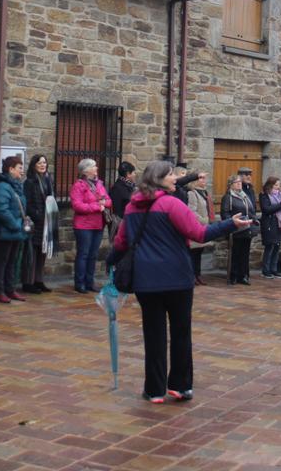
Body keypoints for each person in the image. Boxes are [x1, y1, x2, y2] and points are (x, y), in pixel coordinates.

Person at [107, 160, 249, 403]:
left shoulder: (132, 208)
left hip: (146, 281)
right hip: (177, 280)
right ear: (159, 179)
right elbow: (200, 233)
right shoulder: (171, 204)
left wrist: (110, 263)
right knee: (181, 332)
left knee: (153, 335)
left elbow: (121, 243)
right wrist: (230, 224)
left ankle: (154, 390)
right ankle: (180, 386)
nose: (176, 178)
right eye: (171, 174)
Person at [69, 158, 112, 293]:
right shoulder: (79, 185)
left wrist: (103, 204)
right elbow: (77, 206)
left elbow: (109, 201)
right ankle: (79, 283)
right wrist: (96, 206)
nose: (97, 168)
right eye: (94, 166)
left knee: (93, 254)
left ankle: (89, 282)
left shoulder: (99, 184)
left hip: (98, 224)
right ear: (86, 170)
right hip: (83, 226)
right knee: (83, 254)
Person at [0, 155, 28, 303]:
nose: (21, 171)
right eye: (19, 168)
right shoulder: (3, 187)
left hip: (15, 231)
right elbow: (2, 209)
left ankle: (10, 289)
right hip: (4, 232)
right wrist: (15, 225)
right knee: (2, 262)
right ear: (10, 169)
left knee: (12, 262)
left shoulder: (15, 186)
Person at [22, 154, 56, 294]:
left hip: (47, 221)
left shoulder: (48, 180)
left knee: (42, 251)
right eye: (40, 163)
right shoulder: (30, 182)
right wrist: (36, 215)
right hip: (35, 222)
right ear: (34, 165)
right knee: (32, 253)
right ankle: (28, 282)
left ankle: (39, 280)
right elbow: (27, 203)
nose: (43, 165)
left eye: (44, 163)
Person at [220, 173, 255, 285]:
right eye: (237, 182)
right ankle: (233, 276)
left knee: (245, 254)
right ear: (231, 185)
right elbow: (224, 213)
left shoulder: (245, 196)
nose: (239, 184)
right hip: (235, 229)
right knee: (235, 253)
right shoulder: (228, 197)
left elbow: (250, 211)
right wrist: (232, 222)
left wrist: (254, 219)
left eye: (240, 182)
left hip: (247, 228)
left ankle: (243, 276)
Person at [183, 172, 211, 285]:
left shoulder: (204, 193)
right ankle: (192, 275)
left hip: (203, 227)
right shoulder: (192, 193)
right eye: (201, 178)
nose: (204, 180)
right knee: (193, 253)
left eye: (205, 178)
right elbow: (191, 211)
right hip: (196, 227)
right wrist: (204, 220)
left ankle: (198, 275)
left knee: (199, 253)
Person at [258, 177, 281, 279]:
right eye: (276, 185)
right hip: (269, 225)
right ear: (270, 185)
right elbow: (267, 209)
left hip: (279, 224)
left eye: (279, 185)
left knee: (277, 246)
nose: (278, 187)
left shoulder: (280, 195)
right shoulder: (264, 195)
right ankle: (266, 270)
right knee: (270, 247)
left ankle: (274, 269)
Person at [108, 161, 137, 243]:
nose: (135, 174)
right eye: (134, 172)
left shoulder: (129, 186)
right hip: (120, 224)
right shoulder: (118, 188)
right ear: (128, 174)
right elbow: (117, 210)